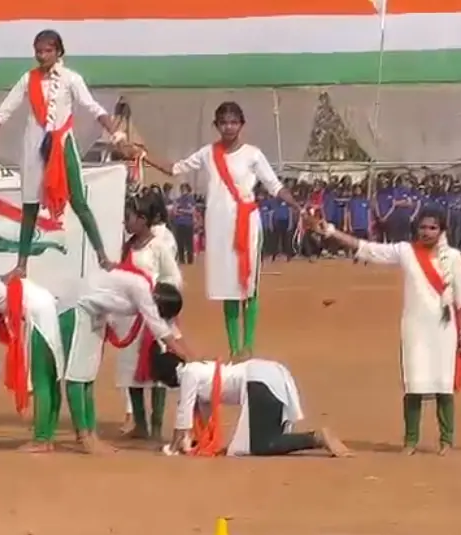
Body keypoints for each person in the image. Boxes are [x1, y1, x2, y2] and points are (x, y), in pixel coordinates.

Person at [306, 207, 461, 455]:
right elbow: (368, 249)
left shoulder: (454, 257)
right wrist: (331, 232)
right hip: (415, 330)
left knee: (443, 385)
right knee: (414, 385)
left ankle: (446, 440)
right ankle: (411, 441)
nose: (427, 232)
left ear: (442, 230)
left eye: (433, 228)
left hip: (444, 329)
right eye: (423, 227)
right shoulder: (406, 252)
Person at [139, 102, 300, 360]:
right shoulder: (207, 153)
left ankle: (248, 346)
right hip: (219, 228)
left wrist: (296, 205)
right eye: (224, 122)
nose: (229, 127)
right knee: (228, 288)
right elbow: (174, 168)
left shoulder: (253, 154)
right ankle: (234, 348)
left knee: (249, 286)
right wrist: (142, 155)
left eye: (234, 122)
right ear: (216, 125)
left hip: (247, 225)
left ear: (241, 125)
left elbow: (274, 185)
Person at [0, 29, 125, 278]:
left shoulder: (71, 79)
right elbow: (4, 111)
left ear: (59, 52)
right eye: (39, 51)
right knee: (29, 205)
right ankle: (21, 265)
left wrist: (115, 132)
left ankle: (103, 257)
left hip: (62, 144)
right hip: (34, 146)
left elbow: (93, 107)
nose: (42, 56)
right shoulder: (28, 79)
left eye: (48, 51)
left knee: (79, 201)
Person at [62, 268, 192, 453]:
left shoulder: (150, 291)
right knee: (77, 375)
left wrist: (189, 357)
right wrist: (185, 357)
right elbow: (159, 327)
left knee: (88, 376)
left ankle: (90, 435)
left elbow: (167, 327)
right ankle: (84, 437)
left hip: (95, 314)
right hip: (77, 309)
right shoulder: (143, 288)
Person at [150, 350, 351, 458]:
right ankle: (315, 438)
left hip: (258, 380)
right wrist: (190, 443)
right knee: (270, 438)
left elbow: (184, 414)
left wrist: (173, 448)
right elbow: (203, 416)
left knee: (261, 445)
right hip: (266, 375)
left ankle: (315, 438)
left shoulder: (188, 374)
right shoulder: (198, 369)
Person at [0, 256, 65, 453]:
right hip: (50, 311)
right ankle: (47, 436)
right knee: (51, 378)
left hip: (38, 317)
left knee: (41, 379)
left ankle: (41, 440)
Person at [113, 196, 183, 441]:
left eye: (129, 217)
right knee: (131, 373)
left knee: (157, 373)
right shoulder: (126, 247)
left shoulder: (158, 247)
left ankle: (156, 425)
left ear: (142, 219)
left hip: (154, 318)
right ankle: (140, 424)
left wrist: (158, 296)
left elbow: (173, 278)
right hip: (130, 319)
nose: (125, 222)